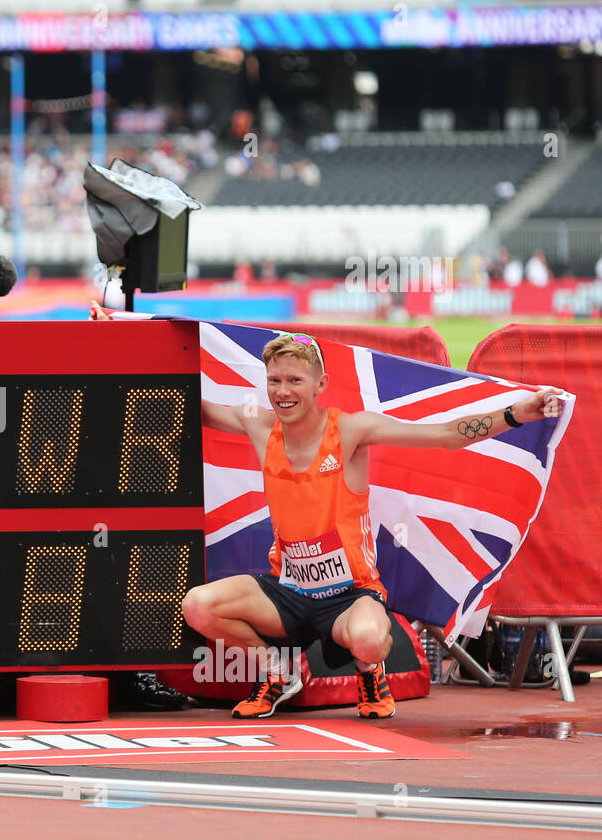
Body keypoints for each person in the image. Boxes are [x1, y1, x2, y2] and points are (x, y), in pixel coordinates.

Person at [88, 304, 565, 719]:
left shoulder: (352, 431)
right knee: (197, 606)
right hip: (288, 594)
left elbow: (442, 435)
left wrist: (516, 414)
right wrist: (121, 339)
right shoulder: (258, 425)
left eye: (295, 381)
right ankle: (279, 671)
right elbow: (186, 402)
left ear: (321, 384)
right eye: (274, 381)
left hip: (349, 595)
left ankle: (369, 673)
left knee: (366, 640)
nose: (283, 391)